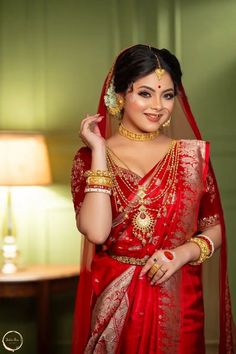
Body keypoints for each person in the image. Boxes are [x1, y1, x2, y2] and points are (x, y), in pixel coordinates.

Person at [71, 44, 234, 354]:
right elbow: (97, 232)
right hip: (116, 302)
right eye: (145, 93)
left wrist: (184, 253)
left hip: (180, 301)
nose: (158, 106)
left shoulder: (192, 156)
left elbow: (214, 227)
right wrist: (100, 151)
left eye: (168, 95)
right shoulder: (90, 158)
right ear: (119, 95)